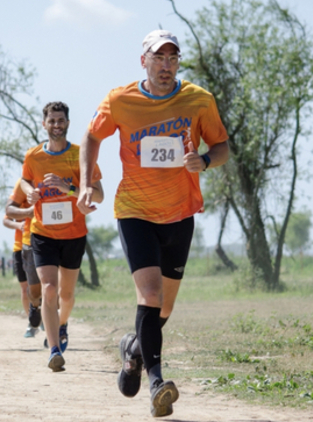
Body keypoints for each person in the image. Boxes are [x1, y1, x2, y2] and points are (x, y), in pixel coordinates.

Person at [78, 30, 229, 417]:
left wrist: (205, 161)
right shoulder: (120, 100)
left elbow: (222, 146)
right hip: (135, 211)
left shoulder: (199, 99)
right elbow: (91, 138)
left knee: (163, 310)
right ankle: (157, 383)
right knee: (151, 296)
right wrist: (86, 182)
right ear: (142, 60)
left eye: (172, 58)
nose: (166, 65)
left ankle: (132, 351)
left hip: (180, 214)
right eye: (158, 58)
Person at [21, 101, 104, 372]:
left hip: (73, 233)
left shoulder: (81, 156)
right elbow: (24, 180)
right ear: (44, 124)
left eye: (61, 120)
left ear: (67, 123)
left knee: (66, 296)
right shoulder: (33, 156)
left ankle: (63, 324)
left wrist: (69, 187)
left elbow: (99, 194)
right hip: (43, 233)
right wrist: (29, 191)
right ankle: (54, 348)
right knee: (49, 288)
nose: (56, 125)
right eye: (51, 120)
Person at [4, 178, 42, 338]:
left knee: (42, 286)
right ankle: (32, 321)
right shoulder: (18, 194)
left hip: (40, 242)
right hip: (20, 246)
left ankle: (45, 319)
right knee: (25, 287)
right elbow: (5, 219)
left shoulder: (46, 186)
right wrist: (18, 225)